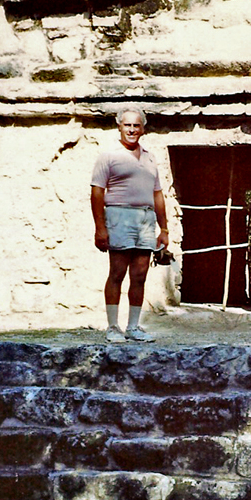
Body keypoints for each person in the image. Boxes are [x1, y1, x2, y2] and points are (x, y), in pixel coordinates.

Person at [91, 108, 169, 342]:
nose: (132, 130)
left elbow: (157, 195)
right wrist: (100, 227)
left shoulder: (150, 157)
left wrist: (163, 229)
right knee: (117, 272)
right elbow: (97, 193)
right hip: (119, 216)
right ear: (119, 127)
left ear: (143, 129)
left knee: (140, 274)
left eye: (136, 125)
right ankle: (113, 327)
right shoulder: (109, 156)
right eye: (127, 125)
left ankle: (133, 327)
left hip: (145, 219)